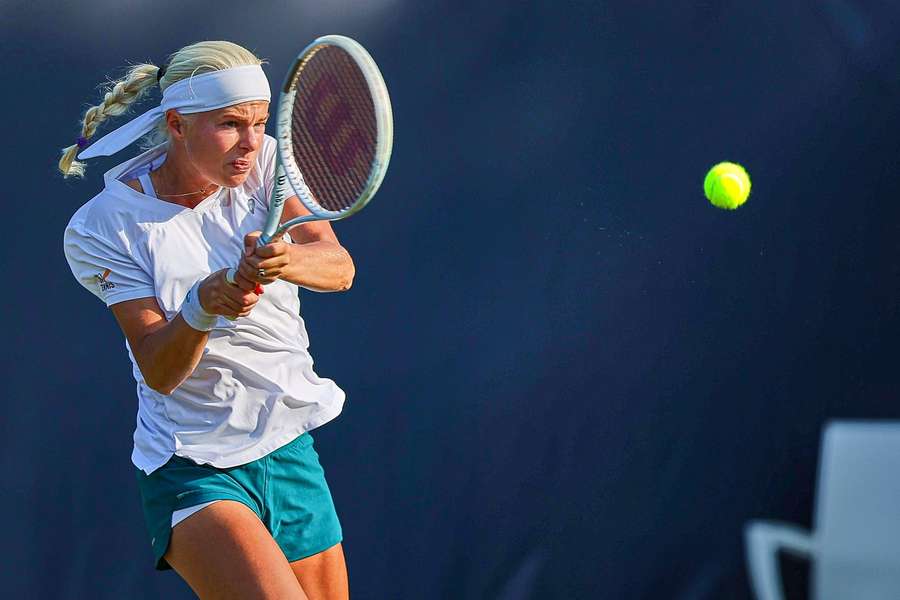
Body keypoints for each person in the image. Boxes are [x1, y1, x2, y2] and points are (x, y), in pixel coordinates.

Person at [60, 40, 353, 600]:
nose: (250, 143)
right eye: (229, 125)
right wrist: (203, 304)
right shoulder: (103, 227)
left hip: (286, 440)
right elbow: (159, 368)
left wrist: (283, 259)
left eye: (260, 123)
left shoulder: (270, 162)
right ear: (176, 124)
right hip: (192, 461)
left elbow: (339, 268)